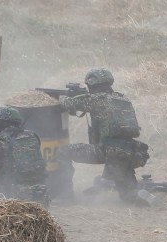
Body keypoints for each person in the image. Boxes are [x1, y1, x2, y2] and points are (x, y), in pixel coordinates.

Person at [55, 68, 150, 203]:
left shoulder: (96, 100)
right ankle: (141, 196)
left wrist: (61, 96)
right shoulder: (123, 99)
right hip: (127, 153)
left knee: (63, 151)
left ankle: (66, 196)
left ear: (92, 85)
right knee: (129, 196)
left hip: (105, 151)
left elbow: (67, 103)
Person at [0, 106, 49, 207]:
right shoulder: (33, 136)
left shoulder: (3, 141)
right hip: (41, 193)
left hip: (17, 198)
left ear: (0, 123)